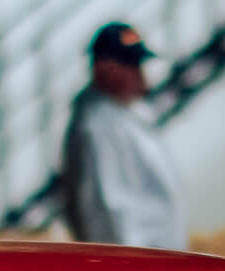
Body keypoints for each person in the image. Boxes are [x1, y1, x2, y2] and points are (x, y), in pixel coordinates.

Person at [60, 23, 187, 249]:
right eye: (129, 65)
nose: (138, 74)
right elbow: (107, 210)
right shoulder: (96, 129)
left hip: (155, 261)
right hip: (135, 266)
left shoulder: (127, 114)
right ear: (103, 68)